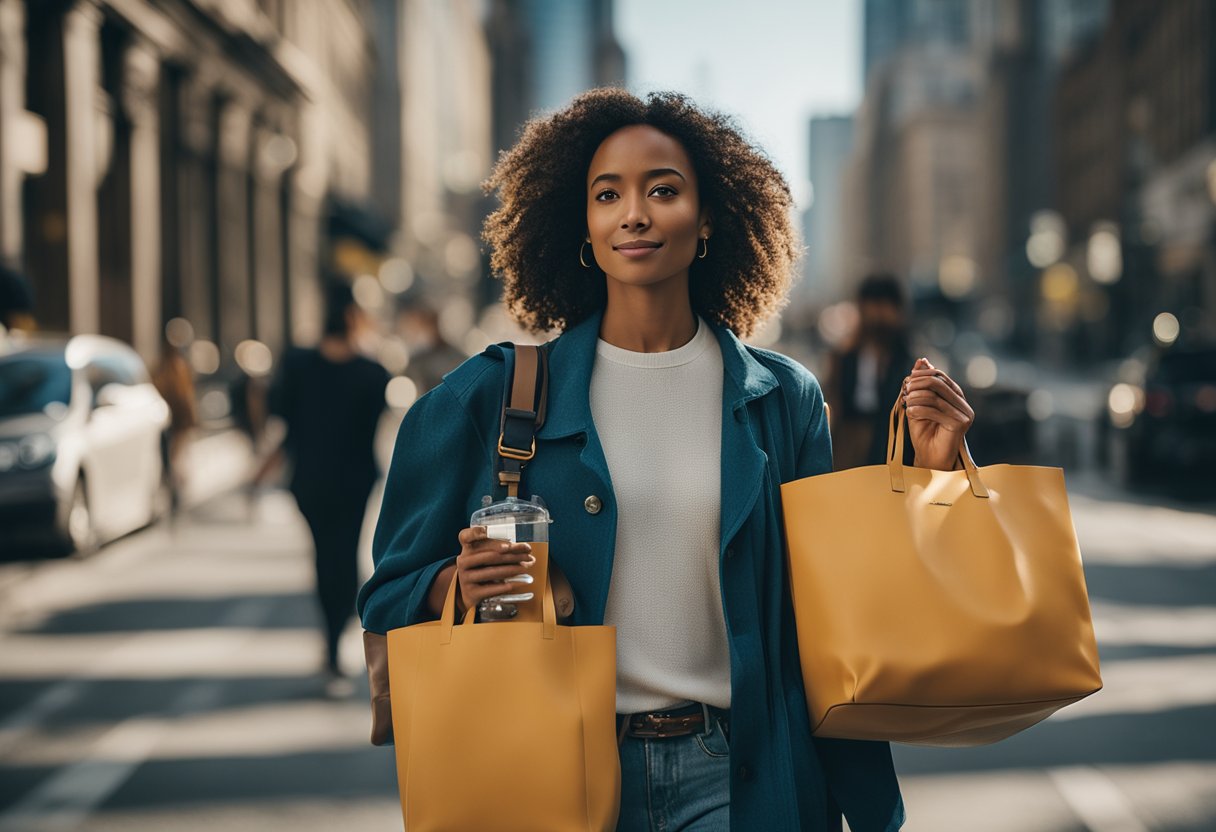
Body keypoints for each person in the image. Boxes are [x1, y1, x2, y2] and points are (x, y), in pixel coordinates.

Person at [357, 88, 975, 831]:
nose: (635, 213)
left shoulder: (782, 398)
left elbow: (842, 609)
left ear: (709, 216)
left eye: (663, 190)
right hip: (549, 771)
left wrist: (934, 478)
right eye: (608, 194)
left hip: (739, 776)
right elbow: (387, 588)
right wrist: (446, 584)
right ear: (582, 226)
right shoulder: (490, 395)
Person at [265, 281, 390, 694]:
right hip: (353, 481)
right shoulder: (373, 373)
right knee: (344, 553)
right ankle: (339, 636)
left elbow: (281, 416)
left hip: (310, 481)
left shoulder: (297, 365)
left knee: (325, 557)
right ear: (354, 322)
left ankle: (333, 642)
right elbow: (374, 426)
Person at [823, 273, 918, 470]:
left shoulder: (907, 361)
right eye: (871, 305)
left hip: (889, 437)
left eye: (883, 306)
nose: (876, 314)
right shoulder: (845, 355)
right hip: (850, 437)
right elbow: (834, 398)